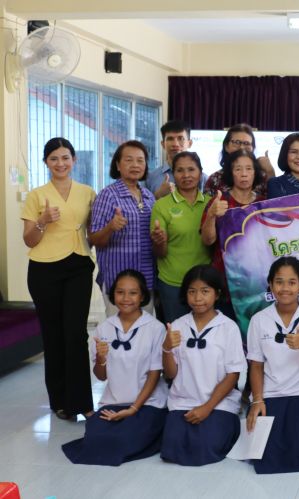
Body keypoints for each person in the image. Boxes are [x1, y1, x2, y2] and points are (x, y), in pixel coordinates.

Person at [22, 137, 96, 421]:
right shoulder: (36, 195)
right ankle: (60, 401)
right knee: (53, 336)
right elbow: (29, 240)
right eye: (54, 159)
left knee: (76, 334)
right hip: (44, 270)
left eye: (65, 157)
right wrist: (41, 220)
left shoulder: (88, 192)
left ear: (74, 160)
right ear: (46, 163)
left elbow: (94, 230)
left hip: (78, 265)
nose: (60, 163)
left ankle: (83, 403)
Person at [62, 270, 169, 466]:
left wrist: (133, 408)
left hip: (147, 404)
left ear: (143, 295)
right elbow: (101, 376)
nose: (126, 298)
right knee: (96, 438)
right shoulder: (105, 328)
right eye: (120, 292)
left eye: (133, 293)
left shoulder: (156, 328)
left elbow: (155, 374)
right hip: (114, 403)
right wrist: (101, 359)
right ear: (113, 295)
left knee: (122, 440)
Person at [246, 257, 299, 473]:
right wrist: (257, 400)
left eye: (292, 282)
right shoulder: (259, 320)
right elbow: (255, 365)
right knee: (265, 456)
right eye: (279, 282)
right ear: (271, 285)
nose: (285, 288)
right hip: (271, 394)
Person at [160, 265, 247, 466]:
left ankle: (225, 425)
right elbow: (172, 374)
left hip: (218, 403)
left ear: (217, 294)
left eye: (205, 291)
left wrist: (207, 407)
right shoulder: (178, 325)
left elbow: (233, 375)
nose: (198, 298)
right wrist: (166, 349)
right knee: (172, 447)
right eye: (192, 291)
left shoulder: (228, 327)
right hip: (183, 402)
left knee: (205, 446)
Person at [89, 141, 156, 316]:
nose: (135, 165)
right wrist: (111, 227)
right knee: (120, 334)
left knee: (145, 332)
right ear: (118, 165)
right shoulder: (108, 195)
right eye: (129, 160)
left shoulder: (149, 196)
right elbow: (94, 239)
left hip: (146, 278)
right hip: (118, 280)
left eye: (140, 160)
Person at [201, 149, 266, 320]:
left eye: (249, 169)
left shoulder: (264, 203)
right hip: (224, 283)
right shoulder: (219, 201)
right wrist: (212, 215)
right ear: (231, 173)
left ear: (255, 172)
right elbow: (207, 241)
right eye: (238, 169)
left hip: (255, 285)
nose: (244, 174)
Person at [150, 151, 212, 323]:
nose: (186, 175)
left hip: (204, 282)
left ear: (200, 172)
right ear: (173, 174)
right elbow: (160, 252)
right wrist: (159, 241)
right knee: (176, 338)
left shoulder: (210, 204)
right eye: (180, 170)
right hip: (172, 283)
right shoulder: (162, 206)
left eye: (191, 170)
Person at [203, 123, 275, 197]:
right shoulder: (215, 179)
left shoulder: (261, 177)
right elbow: (207, 207)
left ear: (253, 148)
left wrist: (270, 171)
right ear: (226, 146)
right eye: (237, 142)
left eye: (246, 143)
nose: (241, 148)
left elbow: (275, 204)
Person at [145, 120, 207, 199]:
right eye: (170, 139)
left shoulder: (202, 178)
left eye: (181, 138)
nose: (175, 144)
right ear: (163, 144)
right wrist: (157, 196)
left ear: (190, 143)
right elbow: (143, 209)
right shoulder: (151, 178)